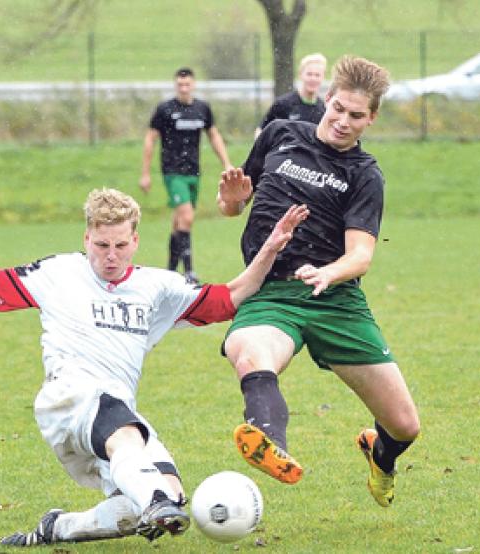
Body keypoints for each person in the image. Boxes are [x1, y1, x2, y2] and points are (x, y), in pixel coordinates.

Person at [0, 189, 307, 546]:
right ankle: (153, 498)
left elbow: (229, 297)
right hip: (70, 399)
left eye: (119, 245)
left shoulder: (158, 287)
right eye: (101, 245)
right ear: (86, 239)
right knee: (146, 477)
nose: (110, 256)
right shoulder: (58, 273)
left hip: (116, 414)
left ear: (135, 241)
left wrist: (270, 248)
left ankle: (59, 528)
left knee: (165, 496)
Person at [216, 55, 421, 508]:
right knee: (250, 353)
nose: (343, 122)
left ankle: (379, 454)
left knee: (405, 425)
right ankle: (269, 442)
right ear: (326, 99)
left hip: (334, 298)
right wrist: (230, 202)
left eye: (356, 116)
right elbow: (235, 204)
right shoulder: (279, 135)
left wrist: (329, 272)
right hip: (270, 289)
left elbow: (361, 254)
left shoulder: (364, 175)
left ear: (371, 118)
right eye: (338, 109)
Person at [140, 67, 232, 283]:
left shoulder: (202, 108)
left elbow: (214, 135)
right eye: (180, 85)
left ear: (193, 84)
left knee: (179, 222)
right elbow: (150, 140)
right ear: (175, 85)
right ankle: (189, 271)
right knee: (188, 217)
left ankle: (170, 272)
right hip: (173, 172)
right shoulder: (165, 110)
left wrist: (226, 163)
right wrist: (145, 173)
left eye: (187, 84)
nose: (183, 88)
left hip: (194, 172)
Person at [255, 53, 328, 139]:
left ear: (323, 77)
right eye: (309, 74)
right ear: (301, 75)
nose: (313, 79)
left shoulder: (324, 110)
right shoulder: (283, 104)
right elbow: (261, 131)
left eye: (317, 75)